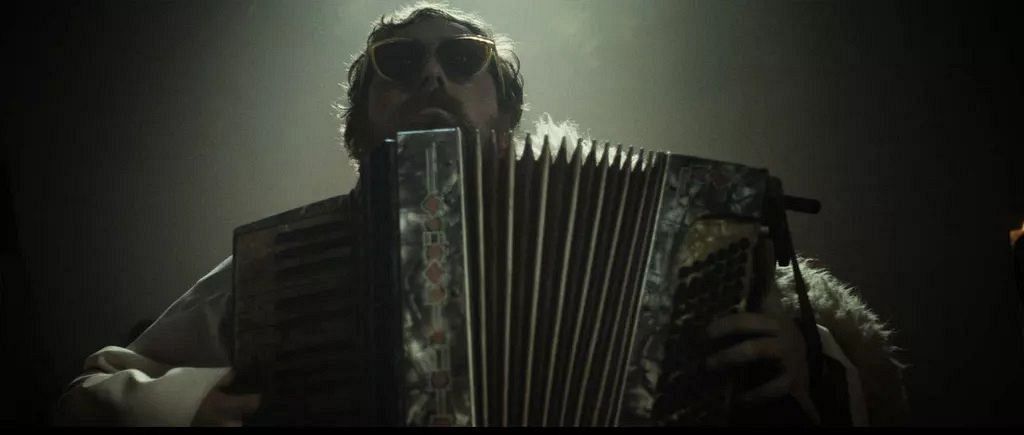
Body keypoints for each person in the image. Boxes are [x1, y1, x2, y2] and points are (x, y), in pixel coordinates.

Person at [55, 2, 908, 427]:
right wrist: (191, 404)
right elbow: (87, 391)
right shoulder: (284, 267)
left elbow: (856, 392)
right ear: (358, 123)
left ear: (504, 112)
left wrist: (812, 363)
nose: (431, 74)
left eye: (463, 57)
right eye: (398, 61)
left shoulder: (678, 236)